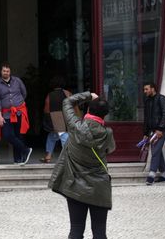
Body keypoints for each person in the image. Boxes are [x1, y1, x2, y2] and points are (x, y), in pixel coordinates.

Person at [48, 92, 116, 239]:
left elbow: (67, 102)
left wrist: (88, 95)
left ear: (88, 110)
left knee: (76, 230)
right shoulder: (108, 133)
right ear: (105, 115)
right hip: (100, 188)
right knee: (99, 233)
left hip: (75, 186)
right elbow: (110, 149)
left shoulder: (75, 126)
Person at [0, 62, 32, 164]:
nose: (5, 73)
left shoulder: (17, 81)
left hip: (19, 112)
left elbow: (24, 93)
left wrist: (20, 102)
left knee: (19, 135)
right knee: (7, 135)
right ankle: (25, 150)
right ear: (1, 72)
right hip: (6, 114)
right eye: (4, 71)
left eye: (7, 71)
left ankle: (18, 159)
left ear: (10, 72)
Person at [142, 82, 165, 185]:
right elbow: (146, 118)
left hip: (160, 131)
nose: (145, 91)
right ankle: (164, 174)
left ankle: (151, 175)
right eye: (144, 89)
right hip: (152, 131)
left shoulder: (161, 99)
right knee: (157, 152)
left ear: (153, 89)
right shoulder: (147, 101)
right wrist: (145, 133)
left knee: (155, 151)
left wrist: (160, 129)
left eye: (146, 89)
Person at [40, 76, 72, 163]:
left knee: (57, 136)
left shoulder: (50, 95)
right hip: (66, 116)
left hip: (54, 117)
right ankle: (64, 156)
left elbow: (46, 108)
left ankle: (50, 156)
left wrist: (47, 119)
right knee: (58, 136)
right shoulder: (67, 93)